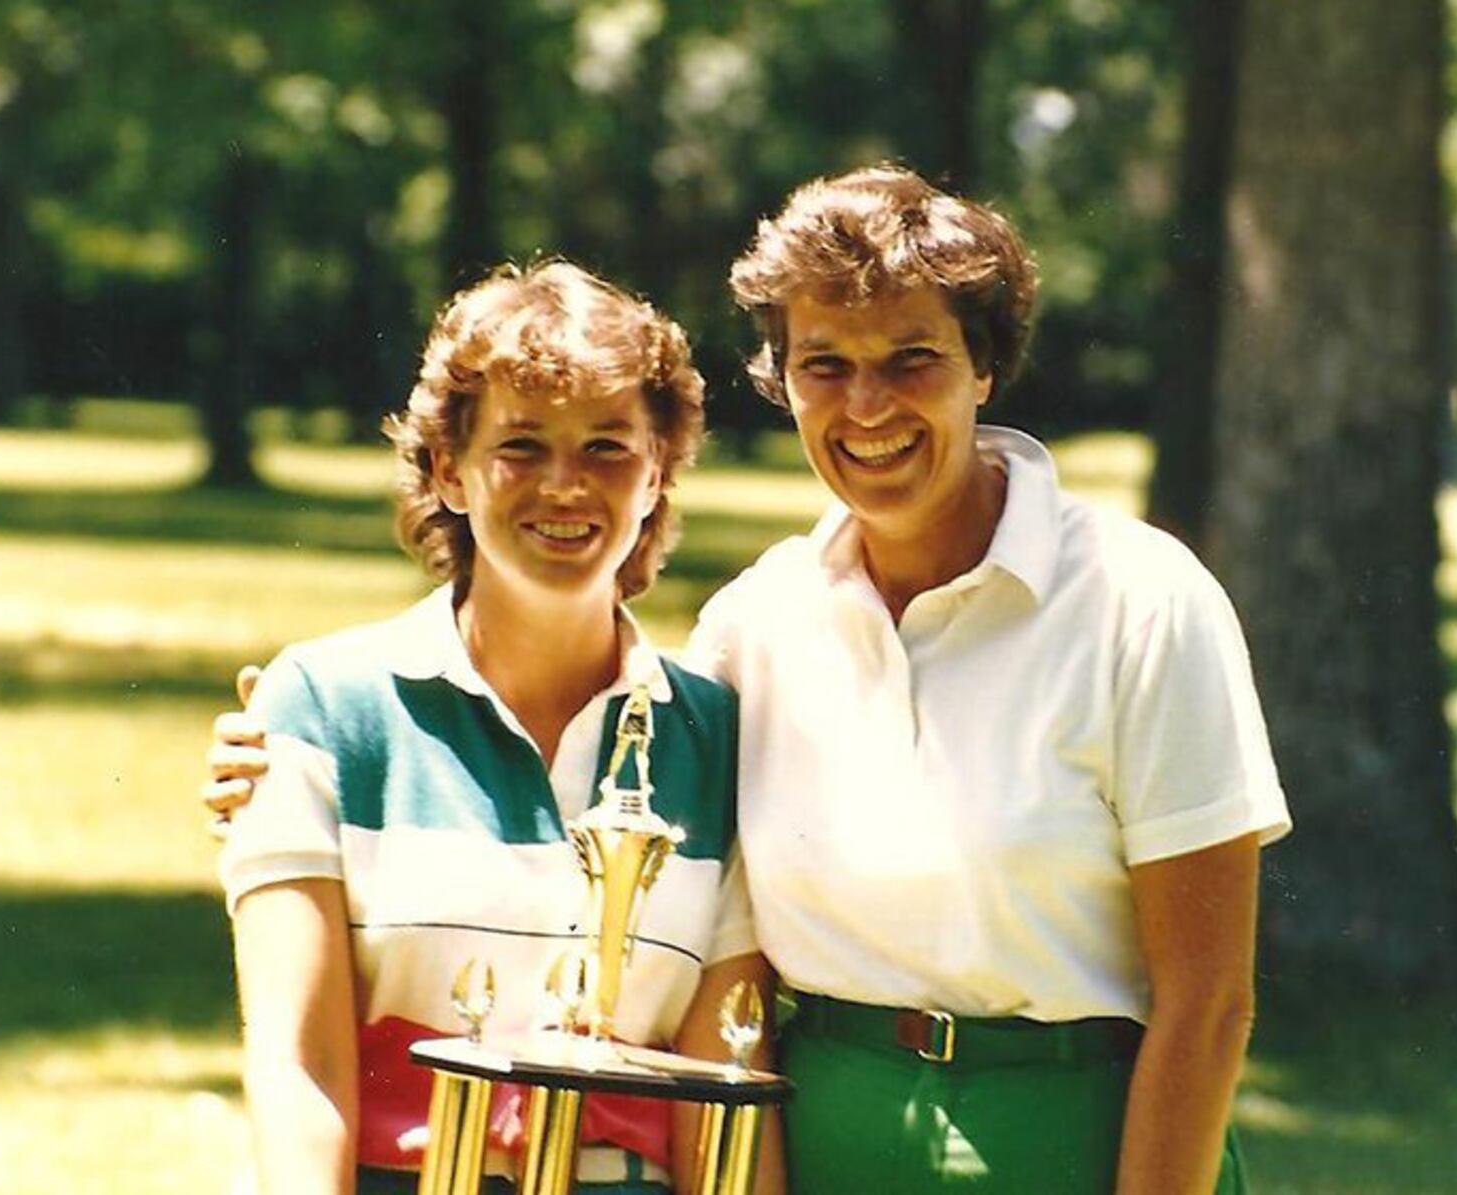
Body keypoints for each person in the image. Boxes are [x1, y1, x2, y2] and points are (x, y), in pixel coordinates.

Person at [210, 166, 1291, 1194]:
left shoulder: (1139, 600)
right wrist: (266, 759)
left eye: (911, 358)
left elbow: (1209, 1002)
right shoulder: (755, 627)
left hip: (1075, 1135)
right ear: (783, 382)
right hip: (824, 1136)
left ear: (984, 368)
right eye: (824, 364)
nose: (866, 405)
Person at [215, 260, 780, 1195]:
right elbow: (299, 1072)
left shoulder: (715, 737)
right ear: (451, 470)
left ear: (658, 477)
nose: (566, 486)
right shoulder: (321, 707)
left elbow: (729, 1094)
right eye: (522, 446)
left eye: (608, 447)